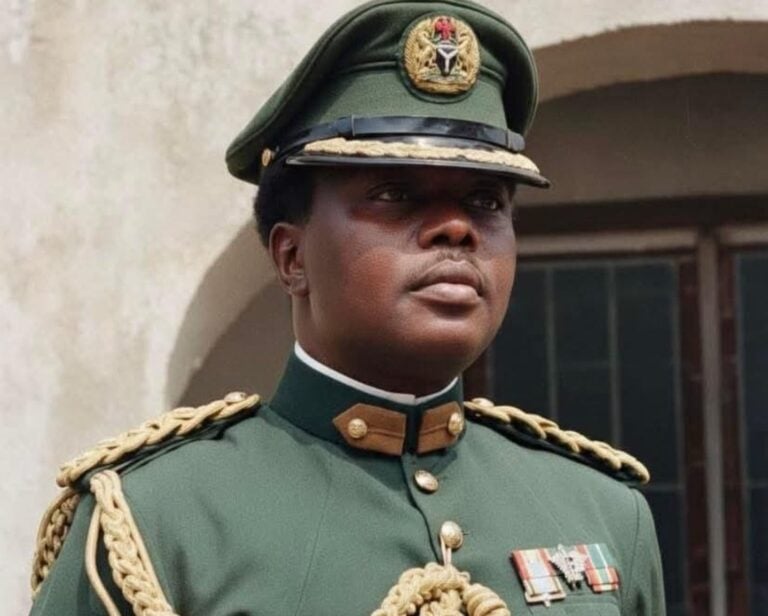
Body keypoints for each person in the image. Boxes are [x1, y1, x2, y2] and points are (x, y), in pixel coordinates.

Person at [28, 0, 665, 614]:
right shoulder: (157, 521)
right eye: (394, 193)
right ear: (292, 257)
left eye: (486, 202)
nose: (456, 228)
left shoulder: (601, 512)